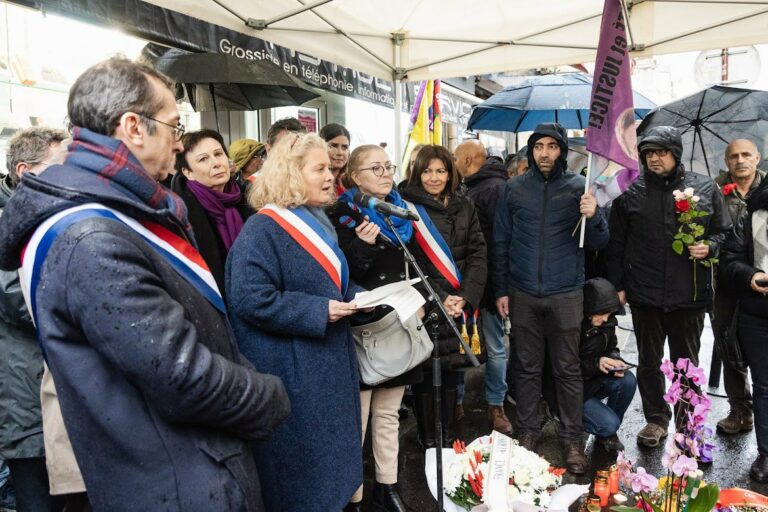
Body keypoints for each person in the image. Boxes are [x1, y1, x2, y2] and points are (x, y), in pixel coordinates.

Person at [0, 57, 290, 511]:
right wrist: (270, 396)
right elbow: (183, 376)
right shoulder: (92, 238)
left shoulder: (119, 214)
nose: (179, 142)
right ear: (134, 127)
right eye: (174, 126)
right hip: (176, 485)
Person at [225, 132, 364, 512]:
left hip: (323, 366)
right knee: (305, 478)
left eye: (330, 169)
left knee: (330, 472)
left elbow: (330, 281)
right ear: (290, 173)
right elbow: (250, 298)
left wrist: (364, 298)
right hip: (295, 374)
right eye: (319, 169)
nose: (330, 177)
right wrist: (319, 311)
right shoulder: (262, 228)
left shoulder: (316, 219)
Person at [492, 122, 607, 474]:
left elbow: (601, 242)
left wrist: (595, 215)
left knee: (567, 370)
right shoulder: (512, 189)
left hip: (566, 293)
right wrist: (500, 289)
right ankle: (528, 431)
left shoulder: (579, 189)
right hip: (523, 292)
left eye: (552, 146)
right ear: (530, 150)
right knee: (525, 368)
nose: (545, 152)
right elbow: (500, 242)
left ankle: (571, 439)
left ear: (562, 151)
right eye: (539, 146)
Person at [606, 126, 731, 449]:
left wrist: (709, 247)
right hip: (644, 294)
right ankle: (656, 419)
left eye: (660, 152)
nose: (653, 158)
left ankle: (688, 423)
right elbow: (617, 243)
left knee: (684, 362)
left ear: (675, 153)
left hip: (687, 295)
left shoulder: (704, 188)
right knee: (649, 360)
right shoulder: (630, 191)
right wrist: (619, 286)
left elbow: (724, 232)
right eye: (648, 153)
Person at [329, 144, 420, 512]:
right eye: (375, 168)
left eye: (388, 166)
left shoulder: (401, 212)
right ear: (354, 176)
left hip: (395, 323)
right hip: (363, 328)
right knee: (359, 420)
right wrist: (362, 246)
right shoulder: (339, 216)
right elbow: (339, 275)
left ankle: (388, 487)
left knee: (387, 415)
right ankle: (354, 497)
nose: (385, 174)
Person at [400, 144, 487, 450]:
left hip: (458, 302)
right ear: (417, 173)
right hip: (427, 303)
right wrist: (440, 298)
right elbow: (409, 260)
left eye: (440, 171)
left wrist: (465, 296)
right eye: (427, 171)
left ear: (450, 173)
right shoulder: (405, 205)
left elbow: (478, 252)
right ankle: (427, 440)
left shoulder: (465, 204)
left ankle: (448, 440)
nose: (434, 177)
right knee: (425, 371)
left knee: (451, 371)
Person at [0, 127, 69, 512]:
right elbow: (19, 300)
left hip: (57, 390)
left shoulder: (52, 215)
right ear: (26, 172)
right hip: (25, 399)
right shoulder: (6, 223)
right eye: (58, 168)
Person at [453, 139, 513, 435]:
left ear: (466, 161)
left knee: (492, 347)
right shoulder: (477, 186)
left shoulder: (490, 189)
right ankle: (474, 403)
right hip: (471, 283)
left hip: (486, 285)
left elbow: (498, 243)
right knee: (467, 345)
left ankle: (494, 405)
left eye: (454, 157)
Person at [713, 139, 765, 435]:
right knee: (727, 343)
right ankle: (740, 410)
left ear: (757, 157)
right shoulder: (714, 192)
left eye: (746, 154)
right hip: (728, 281)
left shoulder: (766, 190)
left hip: (764, 281)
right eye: (734, 156)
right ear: (727, 161)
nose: (740, 160)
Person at [721, 177, 768, 482]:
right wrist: (750, 275)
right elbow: (729, 259)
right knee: (764, 387)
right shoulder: (755, 213)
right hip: (758, 315)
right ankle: (767, 455)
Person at [172, 129, 251, 293]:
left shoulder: (249, 199)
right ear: (188, 172)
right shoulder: (179, 214)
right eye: (203, 159)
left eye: (218, 154)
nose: (216, 163)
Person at [577, 278, 637, 453]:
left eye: (609, 314)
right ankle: (601, 426)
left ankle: (606, 433)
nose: (605, 319)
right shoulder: (572, 325)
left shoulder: (607, 321)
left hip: (593, 380)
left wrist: (614, 359)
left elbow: (612, 347)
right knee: (609, 424)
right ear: (588, 310)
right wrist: (597, 364)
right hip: (571, 390)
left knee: (628, 380)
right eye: (602, 313)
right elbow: (565, 366)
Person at [319, 123, 351, 196]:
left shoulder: (351, 182)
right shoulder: (311, 181)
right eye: (333, 146)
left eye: (344, 147)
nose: (340, 153)